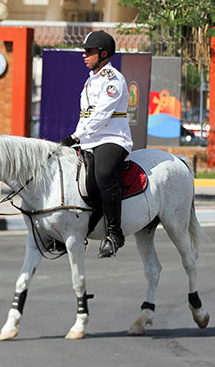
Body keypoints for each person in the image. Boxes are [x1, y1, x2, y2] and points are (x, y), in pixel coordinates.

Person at [59, 30, 133, 258]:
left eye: (89, 52)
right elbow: (87, 115)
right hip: (90, 140)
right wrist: (79, 138)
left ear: (103, 53)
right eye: (84, 51)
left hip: (112, 139)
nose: (84, 55)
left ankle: (114, 233)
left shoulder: (113, 79)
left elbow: (101, 114)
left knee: (102, 174)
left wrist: (76, 136)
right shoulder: (91, 80)